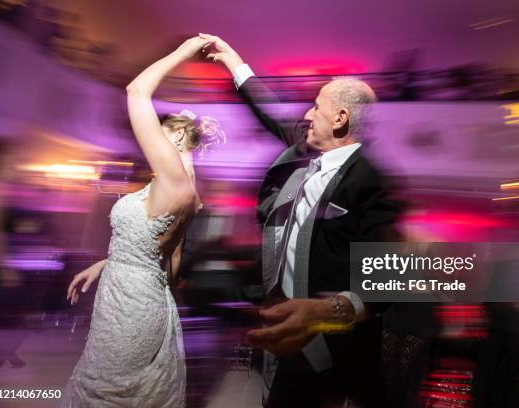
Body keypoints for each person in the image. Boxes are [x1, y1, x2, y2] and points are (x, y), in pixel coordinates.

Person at [201, 33, 404, 407]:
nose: (307, 114)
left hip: (331, 352)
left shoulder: (374, 182)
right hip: (284, 341)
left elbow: (389, 279)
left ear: (340, 118)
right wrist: (234, 63)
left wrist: (327, 311)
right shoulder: (305, 146)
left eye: (315, 106)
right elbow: (270, 111)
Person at [60, 36, 224, 407]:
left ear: (179, 135)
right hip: (142, 295)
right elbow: (167, 260)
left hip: (129, 305)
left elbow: (136, 90)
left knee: (105, 390)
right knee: (118, 389)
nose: (148, 139)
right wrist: (107, 263)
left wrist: (184, 52)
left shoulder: (173, 181)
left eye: (162, 130)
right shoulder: (189, 191)